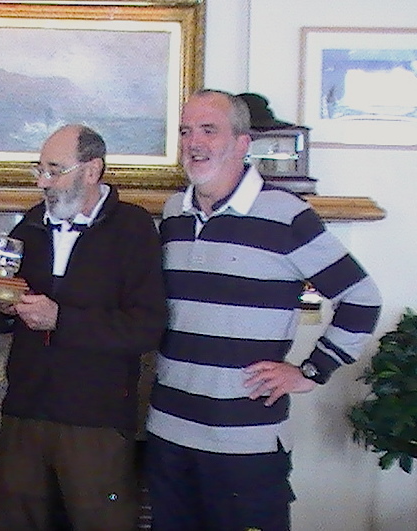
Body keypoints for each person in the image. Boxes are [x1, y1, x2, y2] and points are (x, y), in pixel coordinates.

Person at [145, 89, 382, 531]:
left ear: (241, 143)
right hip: (169, 434)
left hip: (244, 444)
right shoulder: (174, 211)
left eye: (208, 130)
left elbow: (362, 298)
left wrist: (310, 372)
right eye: (185, 131)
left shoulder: (287, 215)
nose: (193, 142)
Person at [0, 124, 167, 531]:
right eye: (40, 170)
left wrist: (61, 319)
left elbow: (146, 328)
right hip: (24, 413)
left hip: (96, 420)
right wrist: (1, 307)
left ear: (92, 170)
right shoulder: (28, 225)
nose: (43, 182)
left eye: (54, 170)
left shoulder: (133, 229)